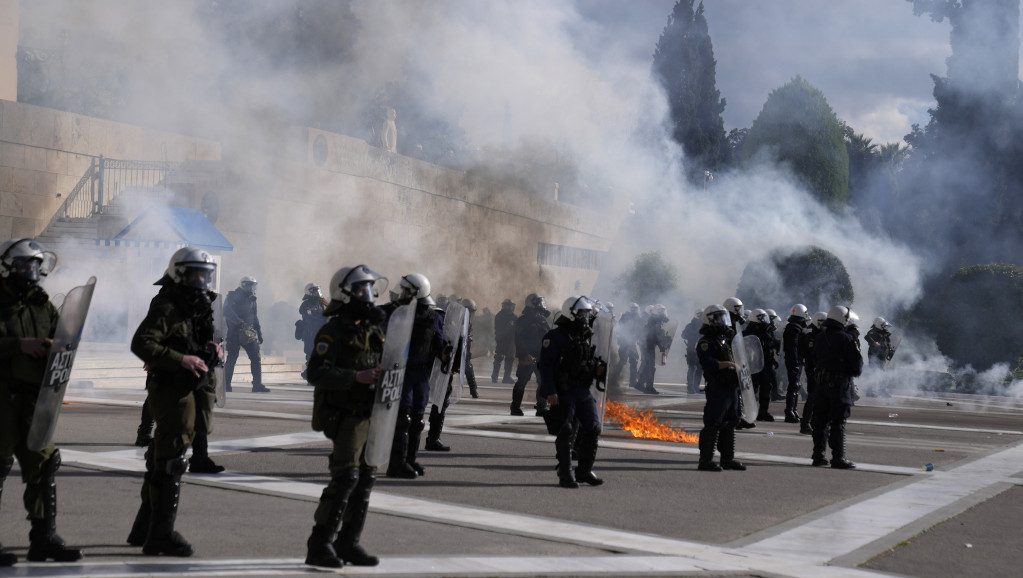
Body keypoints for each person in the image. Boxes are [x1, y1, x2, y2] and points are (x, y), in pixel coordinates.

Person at [128, 247, 221, 557]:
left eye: (204, 273)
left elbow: (194, 339)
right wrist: (180, 359)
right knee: (171, 460)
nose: (201, 279)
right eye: (194, 272)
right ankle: (160, 535)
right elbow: (142, 343)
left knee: (162, 455)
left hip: (190, 387)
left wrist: (213, 351)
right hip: (171, 389)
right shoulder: (169, 304)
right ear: (179, 273)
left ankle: (144, 528)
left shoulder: (198, 305)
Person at [0, 239, 82, 566]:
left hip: (35, 397)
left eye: (34, 266)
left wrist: (55, 347)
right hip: (2, 397)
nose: (30, 272)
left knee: (45, 464)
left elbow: (59, 337)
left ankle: (44, 539)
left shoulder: (41, 303)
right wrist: (19, 345)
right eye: (23, 266)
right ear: (7, 268)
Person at [303, 264, 388, 569]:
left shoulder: (372, 329)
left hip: (370, 413)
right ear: (345, 293)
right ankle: (320, 544)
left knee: (366, 479)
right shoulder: (333, 330)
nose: (368, 294)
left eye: (369, 288)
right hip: (345, 414)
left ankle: (348, 543)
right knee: (345, 478)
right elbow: (316, 372)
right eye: (362, 289)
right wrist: (356, 377)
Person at [381, 274, 446, 478]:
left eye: (406, 290)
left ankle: (409, 460)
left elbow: (438, 342)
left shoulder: (432, 316)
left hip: (422, 374)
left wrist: (446, 351)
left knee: (418, 420)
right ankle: (396, 464)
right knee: (404, 419)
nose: (402, 293)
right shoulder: (393, 312)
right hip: (403, 370)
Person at [538, 296, 607, 488]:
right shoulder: (555, 337)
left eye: (586, 313)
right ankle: (565, 473)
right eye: (582, 313)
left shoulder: (584, 336)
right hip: (564, 390)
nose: (585, 317)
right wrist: (550, 391)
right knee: (566, 431)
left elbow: (586, 361)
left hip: (582, 390)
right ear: (571, 313)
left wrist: (597, 369)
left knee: (593, 428)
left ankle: (584, 471)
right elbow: (546, 366)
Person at [694, 304, 746, 472]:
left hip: (731, 386)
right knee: (713, 423)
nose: (723, 321)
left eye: (724, 317)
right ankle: (706, 460)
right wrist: (729, 364)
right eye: (719, 317)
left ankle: (727, 458)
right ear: (710, 319)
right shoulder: (705, 341)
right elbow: (708, 363)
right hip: (718, 388)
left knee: (730, 422)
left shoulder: (725, 339)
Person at [811, 306, 863, 469]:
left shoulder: (819, 337)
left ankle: (818, 456)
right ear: (844, 319)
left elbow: (814, 359)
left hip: (820, 384)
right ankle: (838, 457)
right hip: (839, 385)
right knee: (838, 421)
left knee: (820, 421)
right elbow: (857, 366)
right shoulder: (846, 338)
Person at [425, 298, 479, 452]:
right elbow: (441, 344)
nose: (472, 315)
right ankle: (432, 438)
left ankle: (433, 437)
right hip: (439, 367)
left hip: (447, 368)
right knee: (437, 402)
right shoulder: (449, 323)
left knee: (441, 402)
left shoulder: (465, 325)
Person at [224, 276, 269, 393]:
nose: (252, 288)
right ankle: (226, 385)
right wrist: (239, 321)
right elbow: (227, 311)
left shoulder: (252, 299)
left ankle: (257, 385)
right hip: (234, 332)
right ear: (243, 285)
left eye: (254, 285)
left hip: (249, 333)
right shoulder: (233, 296)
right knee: (232, 357)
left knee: (256, 358)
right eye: (250, 285)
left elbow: (254, 316)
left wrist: (259, 332)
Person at [511, 293, 550, 416]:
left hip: (540, 357)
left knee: (542, 381)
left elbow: (548, 337)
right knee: (522, 381)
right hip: (526, 357)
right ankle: (515, 407)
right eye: (538, 303)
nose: (541, 306)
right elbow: (519, 339)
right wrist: (525, 354)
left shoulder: (542, 320)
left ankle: (541, 407)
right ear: (532, 304)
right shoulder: (523, 321)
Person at [744, 309, 776, 421]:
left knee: (766, 388)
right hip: (754, 365)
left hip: (766, 364)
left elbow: (770, 347)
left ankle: (763, 412)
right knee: (752, 389)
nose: (765, 320)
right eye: (762, 318)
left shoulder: (767, 331)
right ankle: (749, 412)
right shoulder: (748, 333)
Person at [798, 312, 826, 435]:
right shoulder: (811, 337)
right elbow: (808, 354)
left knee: (819, 398)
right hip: (813, 371)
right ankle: (805, 423)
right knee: (812, 397)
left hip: (820, 371)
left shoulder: (822, 336)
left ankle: (814, 422)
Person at [782, 304, 809, 423]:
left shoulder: (794, 327)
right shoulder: (794, 328)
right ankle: (789, 412)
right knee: (793, 385)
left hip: (796, 359)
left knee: (796, 385)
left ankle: (793, 409)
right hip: (794, 360)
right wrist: (794, 363)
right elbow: (792, 348)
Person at [637, 304, 671, 395]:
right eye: (662, 312)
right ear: (658, 312)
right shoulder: (653, 321)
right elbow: (654, 335)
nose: (663, 314)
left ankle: (640, 383)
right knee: (650, 367)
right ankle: (649, 387)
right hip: (647, 345)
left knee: (648, 366)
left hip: (647, 345)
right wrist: (661, 345)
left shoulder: (654, 320)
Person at [297, 283, 328, 380]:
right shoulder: (305, 305)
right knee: (311, 355)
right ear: (310, 292)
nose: (317, 292)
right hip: (310, 334)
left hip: (321, 333)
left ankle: (307, 374)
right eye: (315, 290)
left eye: (318, 290)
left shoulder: (322, 303)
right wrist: (324, 320)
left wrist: (329, 305)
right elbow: (311, 320)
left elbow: (332, 313)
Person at [613, 303, 642, 391]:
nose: (634, 310)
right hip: (625, 342)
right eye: (632, 308)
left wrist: (637, 338)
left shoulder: (638, 318)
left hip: (632, 343)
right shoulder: (624, 317)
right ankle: (613, 380)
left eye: (636, 308)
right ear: (629, 309)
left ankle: (633, 382)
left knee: (634, 361)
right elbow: (621, 329)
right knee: (623, 361)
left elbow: (639, 330)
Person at [865, 317, 895, 397]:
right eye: (884, 325)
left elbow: (887, 343)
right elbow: (867, 337)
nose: (885, 327)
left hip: (882, 356)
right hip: (875, 356)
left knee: (882, 373)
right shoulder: (873, 332)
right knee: (874, 373)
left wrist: (890, 349)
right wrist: (874, 343)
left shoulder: (884, 333)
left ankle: (882, 390)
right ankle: (870, 391)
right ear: (879, 325)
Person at [491, 299, 517, 384]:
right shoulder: (500, 316)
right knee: (498, 358)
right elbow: (499, 328)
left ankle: (506, 377)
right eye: (508, 305)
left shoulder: (513, 316)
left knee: (509, 359)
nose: (510, 307)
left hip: (510, 341)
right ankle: (494, 377)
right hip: (502, 340)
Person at [681, 309, 703, 394]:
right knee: (691, 368)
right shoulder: (690, 326)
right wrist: (693, 335)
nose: (700, 316)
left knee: (700, 369)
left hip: (701, 350)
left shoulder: (705, 326)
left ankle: (696, 387)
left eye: (702, 314)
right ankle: (690, 388)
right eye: (699, 314)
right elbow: (683, 335)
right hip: (691, 350)